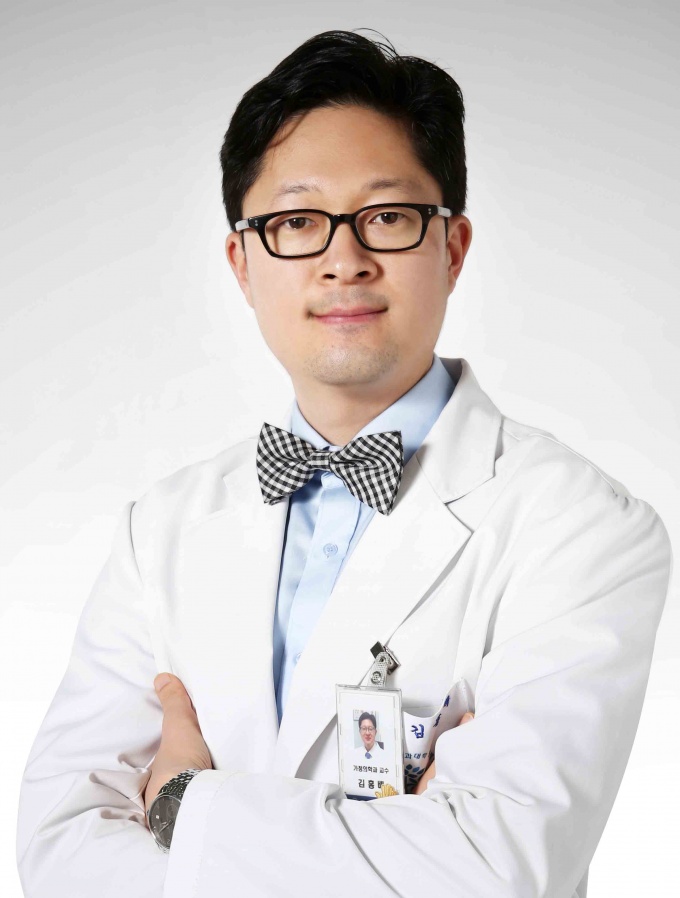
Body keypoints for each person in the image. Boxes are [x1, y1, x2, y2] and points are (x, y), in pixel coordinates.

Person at [17, 28, 671, 898]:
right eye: (295, 222)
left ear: (452, 248)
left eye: (387, 218)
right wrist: (389, 842)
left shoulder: (582, 526)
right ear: (242, 264)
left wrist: (179, 803)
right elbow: (57, 846)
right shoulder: (160, 528)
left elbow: (491, 869)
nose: (343, 261)